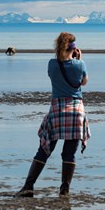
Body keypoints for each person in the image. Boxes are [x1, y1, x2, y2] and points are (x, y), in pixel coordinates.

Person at [16, 32, 91, 197]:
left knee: (44, 149)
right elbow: (84, 82)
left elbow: (53, 76)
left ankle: (28, 186)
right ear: (74, 48)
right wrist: (78, 60)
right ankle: (64, 191)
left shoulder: (52, 64)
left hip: (57, 111)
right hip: (76, 112)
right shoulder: (80, 64)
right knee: (69, 153)